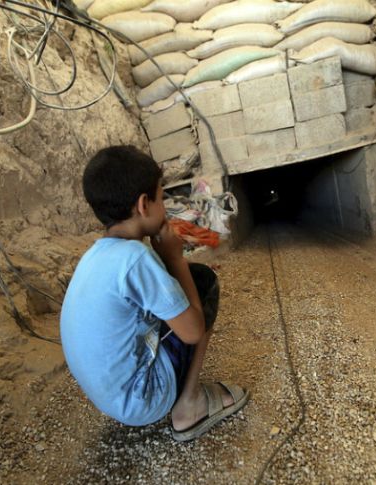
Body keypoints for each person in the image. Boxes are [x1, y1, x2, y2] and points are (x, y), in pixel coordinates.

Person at [60, 145, 249, 441]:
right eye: (162, 197)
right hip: (143, 398)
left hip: (111, 398)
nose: (165, 206)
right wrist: (174, 259)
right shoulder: (136, 257)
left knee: (176, 293)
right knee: (202, 283)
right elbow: (192, 331)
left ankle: (172, 389)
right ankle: (190, 405)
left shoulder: (96, 255)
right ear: (143, 205)